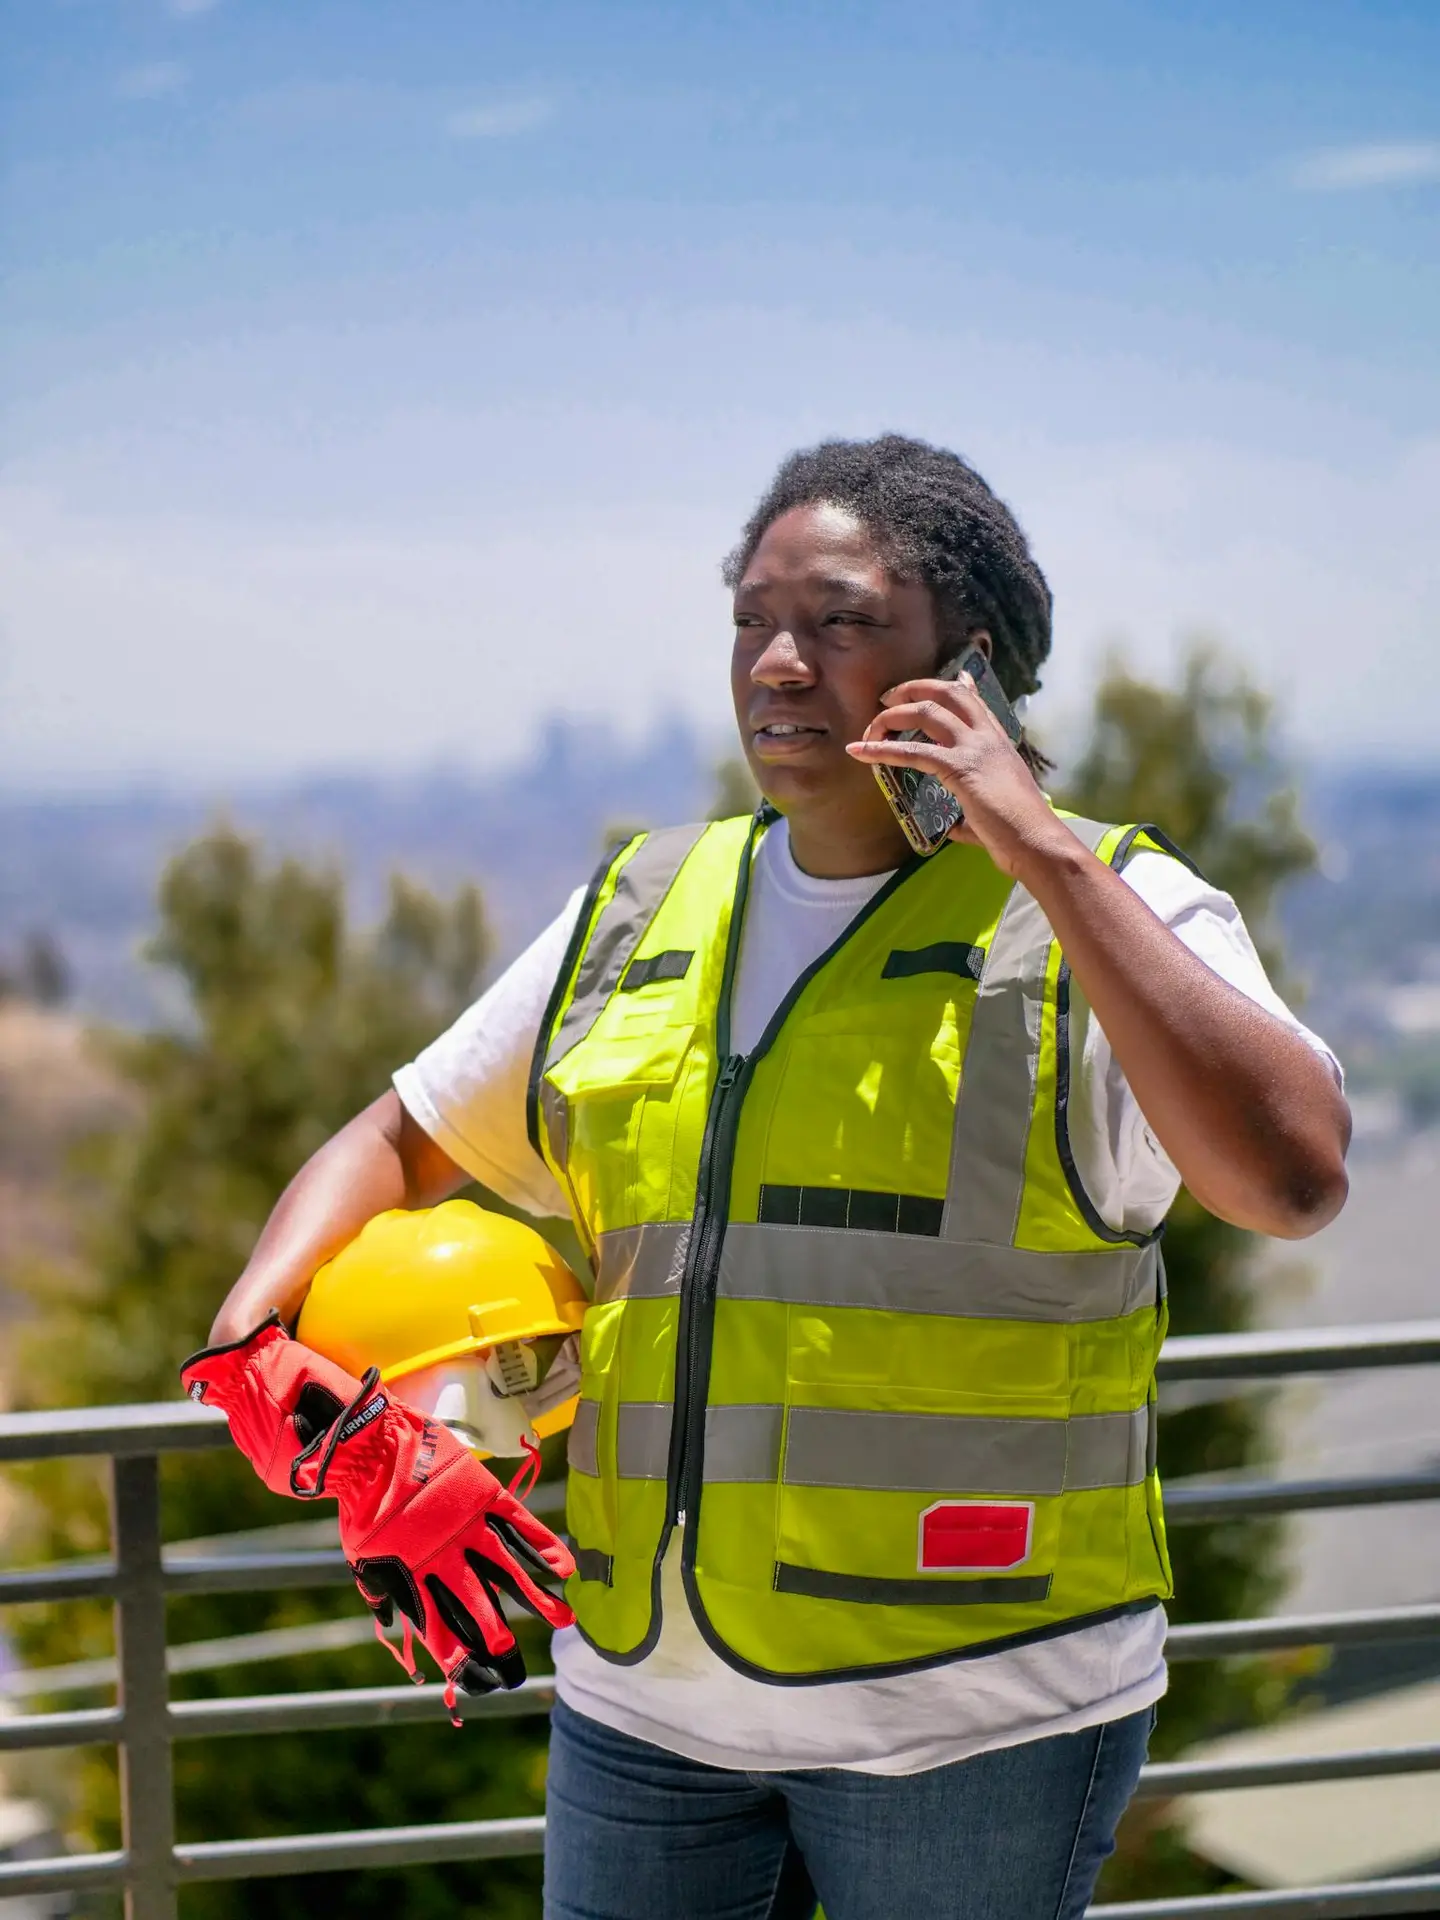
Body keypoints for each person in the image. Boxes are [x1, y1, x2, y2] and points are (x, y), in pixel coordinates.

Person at [204, 434, 1350, 1919]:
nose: (780, 665)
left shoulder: (1111, 911)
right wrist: (252, 1355)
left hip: (977, 1721)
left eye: (842, 621)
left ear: (972, 665)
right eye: (753, 621)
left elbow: (1291, 1178)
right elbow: (390, 1141)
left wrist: (1041, 852)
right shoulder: (638, 908)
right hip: (643, 1712)